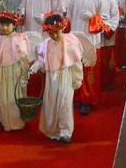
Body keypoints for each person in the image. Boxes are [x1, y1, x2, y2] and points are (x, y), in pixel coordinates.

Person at [29, 15, 96, 143]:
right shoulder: (46, 44)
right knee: (51, 103)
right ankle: (53, 130)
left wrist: (77, 79)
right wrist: (35, 66)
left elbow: (76, 62)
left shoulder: (70, 42)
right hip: (51, 78)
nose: (54, 36)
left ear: (63, 28)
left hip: (65, 76)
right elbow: (42, 60)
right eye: (51, 33)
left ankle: (65, 132)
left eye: (56, 32)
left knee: (64, 103)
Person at [0, 11, 33, 131]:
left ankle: (16, 121)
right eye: (2, 25)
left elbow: (23, 58)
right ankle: (5, 121)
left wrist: (24, 75)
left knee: (14, 95)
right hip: (0, 71)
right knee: (2, 95)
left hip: (14, 71)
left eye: (8, 25)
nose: (5, 28)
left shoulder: (19, 38)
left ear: (14, 25)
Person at [68, 0, 107, 115]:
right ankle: (78, 97)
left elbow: (103, 19)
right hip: (76, 39)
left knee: (90, 71)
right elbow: (70, 19)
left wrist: (93, 17)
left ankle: (88, 100)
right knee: (76, 69)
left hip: (92, 40)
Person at [93, 0, 120, 89]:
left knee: (107, 59)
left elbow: (115, 17)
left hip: (106, 33)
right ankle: (96, 82)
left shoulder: (110, 0)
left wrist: (106, 27)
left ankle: (108, 82)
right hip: (94, 33)